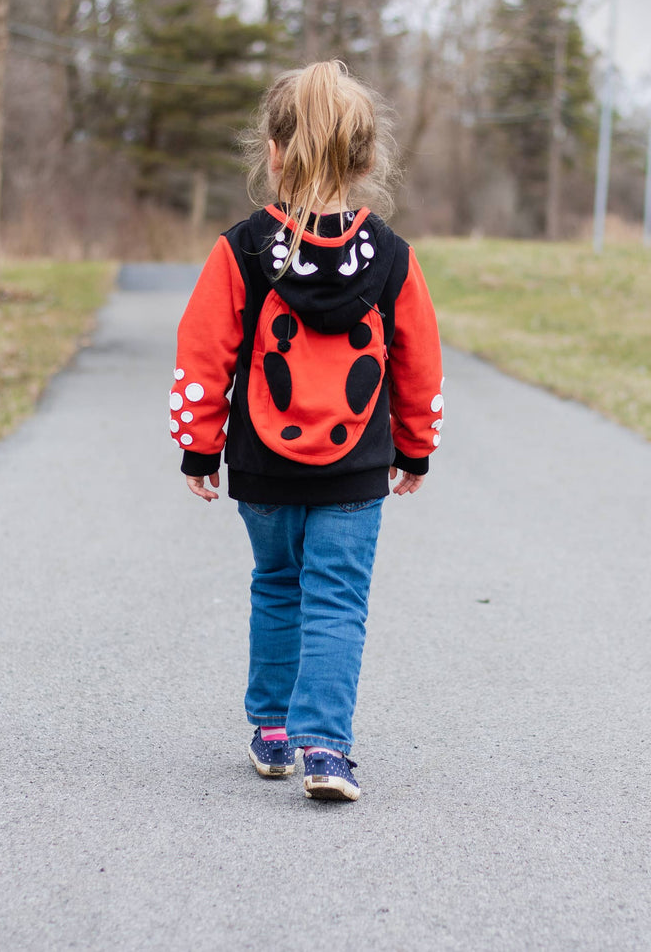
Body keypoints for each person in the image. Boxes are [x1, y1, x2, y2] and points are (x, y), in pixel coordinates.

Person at [168, 61, 444, 802]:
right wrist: (415, 445)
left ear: (274, 150)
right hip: (354, 468)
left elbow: (203, 354)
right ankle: (325, 746)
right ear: (365, 159)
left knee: (277, 584)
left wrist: (197, 445)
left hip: (261, 461)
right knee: (336, 600)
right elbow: (418, 363)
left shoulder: (243, 248)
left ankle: (272, 729)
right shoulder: (390, 257)